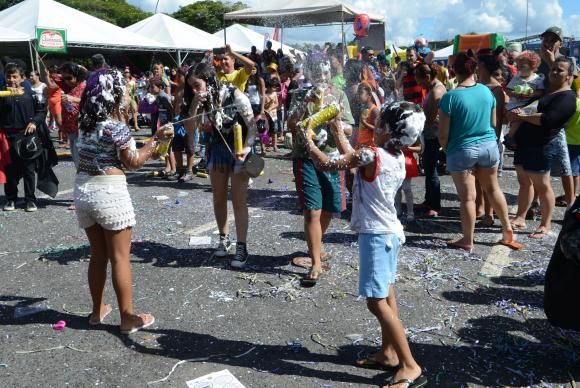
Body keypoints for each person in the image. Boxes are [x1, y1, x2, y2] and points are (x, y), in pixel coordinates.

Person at [298, 101, 427, 388]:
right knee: (388, 292)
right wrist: (336, 130)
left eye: (377, 123)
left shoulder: (372, 154)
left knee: (376, 301)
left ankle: (409, 364)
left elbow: (327, 163)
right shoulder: (394, 156)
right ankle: (388, 353)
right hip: (390, 234)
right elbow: (353, 156)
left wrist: (307, 140)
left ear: (385, 129)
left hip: (376, 236)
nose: (373, 127)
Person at [75, 68, 168, 334]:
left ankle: (97, 311)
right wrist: (154, 142)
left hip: (83, 190)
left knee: (97, 255)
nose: (128, 93)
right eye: (124, 90)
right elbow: (134, 162)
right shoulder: (116, 127)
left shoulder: (85, 123)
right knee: (120, 258)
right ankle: (128, 318)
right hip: (109, 193)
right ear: (114, 94)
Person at [438, 52, 522, 252]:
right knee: (493, 189)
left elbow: (443, 134)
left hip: (462, 149)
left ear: (453, 71)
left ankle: (468, 240)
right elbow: (494, 123)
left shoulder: (450, 97)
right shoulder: (487, 92)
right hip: (488, 146)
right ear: (474, 69)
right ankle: (507, 230)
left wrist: (449, 150)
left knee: (468, 198)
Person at [287, 52, 355, 286]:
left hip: (333, 158)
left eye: (325, 72)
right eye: (317, 72)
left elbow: (349, 130)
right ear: (309, 73)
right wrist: (306, 105)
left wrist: (334, 121)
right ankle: (315, 261)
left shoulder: (338, 95)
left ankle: (317, 243)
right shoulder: (299, 93)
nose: (322, 77)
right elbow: (291, 123)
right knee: (312, 211)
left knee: (330, 208)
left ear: (330, 73)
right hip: (305, 156)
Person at [182, 62, 257, 268]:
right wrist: (195, 104)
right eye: (192, 87)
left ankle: (242, 246)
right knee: (218, 198)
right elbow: (190, 128)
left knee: (239, 200)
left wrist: (247, 150)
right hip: (217, 149)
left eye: (197, 85)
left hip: (240, 149)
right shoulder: (202, 101)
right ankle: (224, 239)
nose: (195, 90)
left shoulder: (235, 95)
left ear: (208, 80)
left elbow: (253, 128)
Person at [507, 57, 577, 238]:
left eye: (560, 70)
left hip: (541, 145)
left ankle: (545, 225)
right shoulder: (547, 92)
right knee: (524, 182)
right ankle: (521, 216)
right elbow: (531, 111)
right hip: (525, 144)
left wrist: (521, 116)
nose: (554, 72)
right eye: (553, 68)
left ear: (569, 75)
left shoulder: (567, 97)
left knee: (543, 185)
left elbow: (547, 120)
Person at [537, 26, 576, 208]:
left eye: (553, 40)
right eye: (546, 39)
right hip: (541, 110)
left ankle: (571, 202)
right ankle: (535, 201)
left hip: (560, 114)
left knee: (565, 164)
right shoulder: (537, 59)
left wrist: (552, 61)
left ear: (560, 42)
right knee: (537, 163)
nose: (548, 43)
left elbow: (568, 88)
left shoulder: (568, 61)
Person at [0, 63, 46, 212]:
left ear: (22, 78)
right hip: (8, 137)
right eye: (8, 76)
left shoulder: (31, 93)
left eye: (15, 76)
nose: (11, 79)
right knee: (10, 170)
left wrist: (34, 122)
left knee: (29, 170)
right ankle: (11, 198)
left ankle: (30, 200)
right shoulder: (2, 94)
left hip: (27, 136)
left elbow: (41, 111)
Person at [415, 63, 446, 217]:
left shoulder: (436, 92)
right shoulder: (434, 89)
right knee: (428, 168)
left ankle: (435, 204)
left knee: (432, 169)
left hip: (433, 136)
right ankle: (429, 200)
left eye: (419, 80)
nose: (418, 83)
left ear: (427, 77)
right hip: (430, 134)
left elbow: (430, 119)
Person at [504, 51, 545, 148]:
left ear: (533, 66)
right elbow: (508, 90)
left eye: (522, 66)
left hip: (529, 104)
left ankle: (511, 136)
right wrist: (516, 93)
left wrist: (532, 94)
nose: (518, 68)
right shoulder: (517, 78)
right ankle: (510, 136)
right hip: (516, 104)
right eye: (518, 65)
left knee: (520, 118)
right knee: (518, 118)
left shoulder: (537, 79)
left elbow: (541, 92)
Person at [57, 62, 87, 169]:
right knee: (77, 162)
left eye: (69, 78)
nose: (66, 81)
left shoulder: (84, 86)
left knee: (82, 164)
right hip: (71, 129)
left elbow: (90, 102)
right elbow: (54, 76)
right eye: (64, 78)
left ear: (77, 76)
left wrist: (73, 99)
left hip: (82, 130)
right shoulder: (68, 87)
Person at [149, 77, 175, 179]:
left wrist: (170, 124)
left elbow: (171, 109)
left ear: (160, 87)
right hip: (163, 124)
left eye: (152, 87)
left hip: (167, 125)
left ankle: (173, 169)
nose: (150, 89)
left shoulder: (163, 96)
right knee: (164, 147)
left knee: (169, 148)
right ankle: (168, 167)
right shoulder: (158, 96)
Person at [355, 82, 380, 147]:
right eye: (358, 93)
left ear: (369, 94)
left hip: (369, 146)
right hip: (361, 144)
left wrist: (365, 123)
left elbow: (378, 129)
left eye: (360, 93)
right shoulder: (364, 108)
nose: (358, 96)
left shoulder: (374, 110)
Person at [264, 79, 279, 152]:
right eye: (273, 87)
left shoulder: (274, 94)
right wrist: (269, 103)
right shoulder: (265, 95)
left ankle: (274, 145)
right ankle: (266, 145)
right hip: (266, 115)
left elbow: (277, 104)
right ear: (269, 87)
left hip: (273, 115)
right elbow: (264, 106)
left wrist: (270, 108)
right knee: (266, 130)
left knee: (274, 130)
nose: (275, 88)